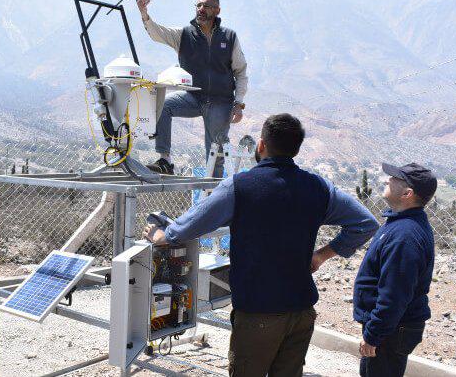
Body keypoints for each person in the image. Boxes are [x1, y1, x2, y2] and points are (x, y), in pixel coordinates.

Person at [142, 113, 380, 377]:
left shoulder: (240, 186)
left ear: (262, 145)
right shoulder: (318, 188)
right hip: (300, 312)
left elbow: (193, 223)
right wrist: (321, 256)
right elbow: (365, 223)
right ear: (296, 149)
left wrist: (164, 235)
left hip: (259, 314)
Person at [136, 0, 248, 177]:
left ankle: (214, 195)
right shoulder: (184, 35)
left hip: (221, 102)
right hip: (193, 97)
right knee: (163, 104)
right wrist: (144, 13)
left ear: (217, 10)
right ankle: (165, 160)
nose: (201, 9)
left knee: (215, 153)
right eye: (198, 5)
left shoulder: (229, 37)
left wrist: (239, 103)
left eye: (206, 6)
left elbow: (241, 72)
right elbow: (157, 33)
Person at [353, 163, 436, 377]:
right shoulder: (401, 224)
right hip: (392, 327)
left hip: (392, 330)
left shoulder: (404, 236)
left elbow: (394, 295)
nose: (387, 180)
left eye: (394, 179)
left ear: (407, 193)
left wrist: (374, 334)